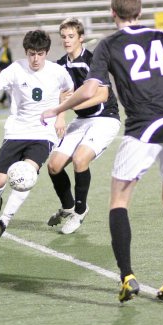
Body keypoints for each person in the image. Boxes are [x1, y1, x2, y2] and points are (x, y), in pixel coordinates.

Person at [41, 0, 163, 303]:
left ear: (112, 13)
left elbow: (90, 87)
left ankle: (127, 277)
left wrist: (58, 108)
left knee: (119, 201)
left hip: (142, 129)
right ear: (140, 11)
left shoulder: (108, 45)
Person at [0, 29, 74, 239]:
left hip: (43, 134)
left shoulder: (57, 71)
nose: (35, 58)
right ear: (26, 52)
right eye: (32, 53)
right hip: (16, 131)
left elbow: (68, 91)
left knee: (27, 175)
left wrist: (60, 117)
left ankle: (4, 221)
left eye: (40, 54)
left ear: (46, 53)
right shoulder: (15, 69)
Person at [46, 16, 120, 234]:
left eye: (71, 36)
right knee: (54, 166)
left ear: (81, 38)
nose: (67, 41)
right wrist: (59, 116)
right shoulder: (60, 66)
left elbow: (102, 95)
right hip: (81, 120)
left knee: (80, 159)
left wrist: (67, 108)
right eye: (64, 37)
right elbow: (58, 97)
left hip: (105, 117)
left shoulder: (93, 60)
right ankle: (68, 206)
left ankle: (79, 211)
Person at [0, 35, 13, 107]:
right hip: (3, 68)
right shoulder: (1, 49)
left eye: (7, 39)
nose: (6, 41)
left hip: (7, 69)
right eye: (5, 39)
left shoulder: (8, 49)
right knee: (6, 85)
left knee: (8, 85)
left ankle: (2, 100)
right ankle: (3, 100)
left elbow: (10, 60)